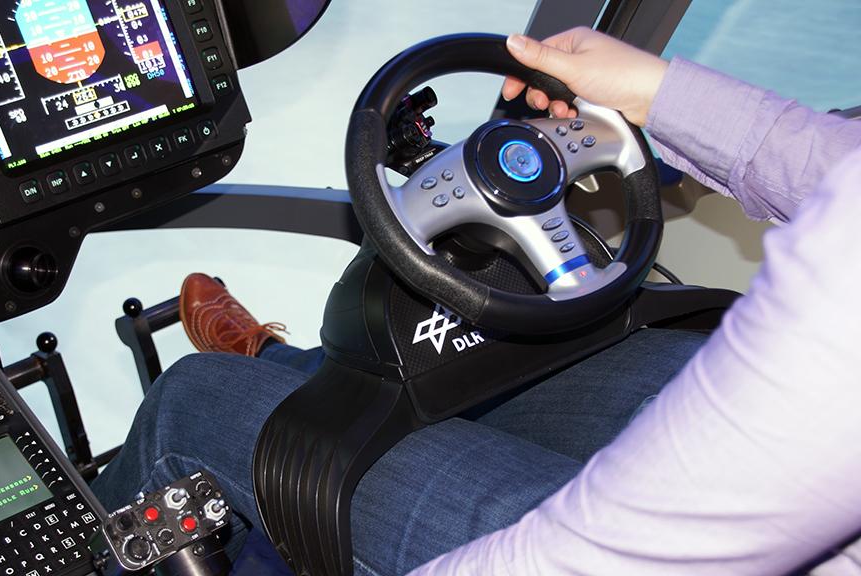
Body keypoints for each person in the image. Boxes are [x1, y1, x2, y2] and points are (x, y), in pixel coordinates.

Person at [92, 27, 861, 575]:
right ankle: (277, 360)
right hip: (810, 410)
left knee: (194, 399)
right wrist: (657, 91)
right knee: (466, 373)